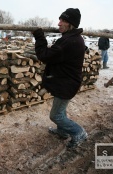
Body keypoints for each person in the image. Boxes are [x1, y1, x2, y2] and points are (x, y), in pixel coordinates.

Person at [32, 8, 88, 148]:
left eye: (63, 20)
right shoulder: (73, 38)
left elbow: (44, 55)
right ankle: (62, 131)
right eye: (60, 20)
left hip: (66, 85)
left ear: (71, 24)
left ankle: (79, 132)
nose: (59, 23)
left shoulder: (69, 41)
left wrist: (39, 37)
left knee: (56, 115)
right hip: (66, 82)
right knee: (60, 111)